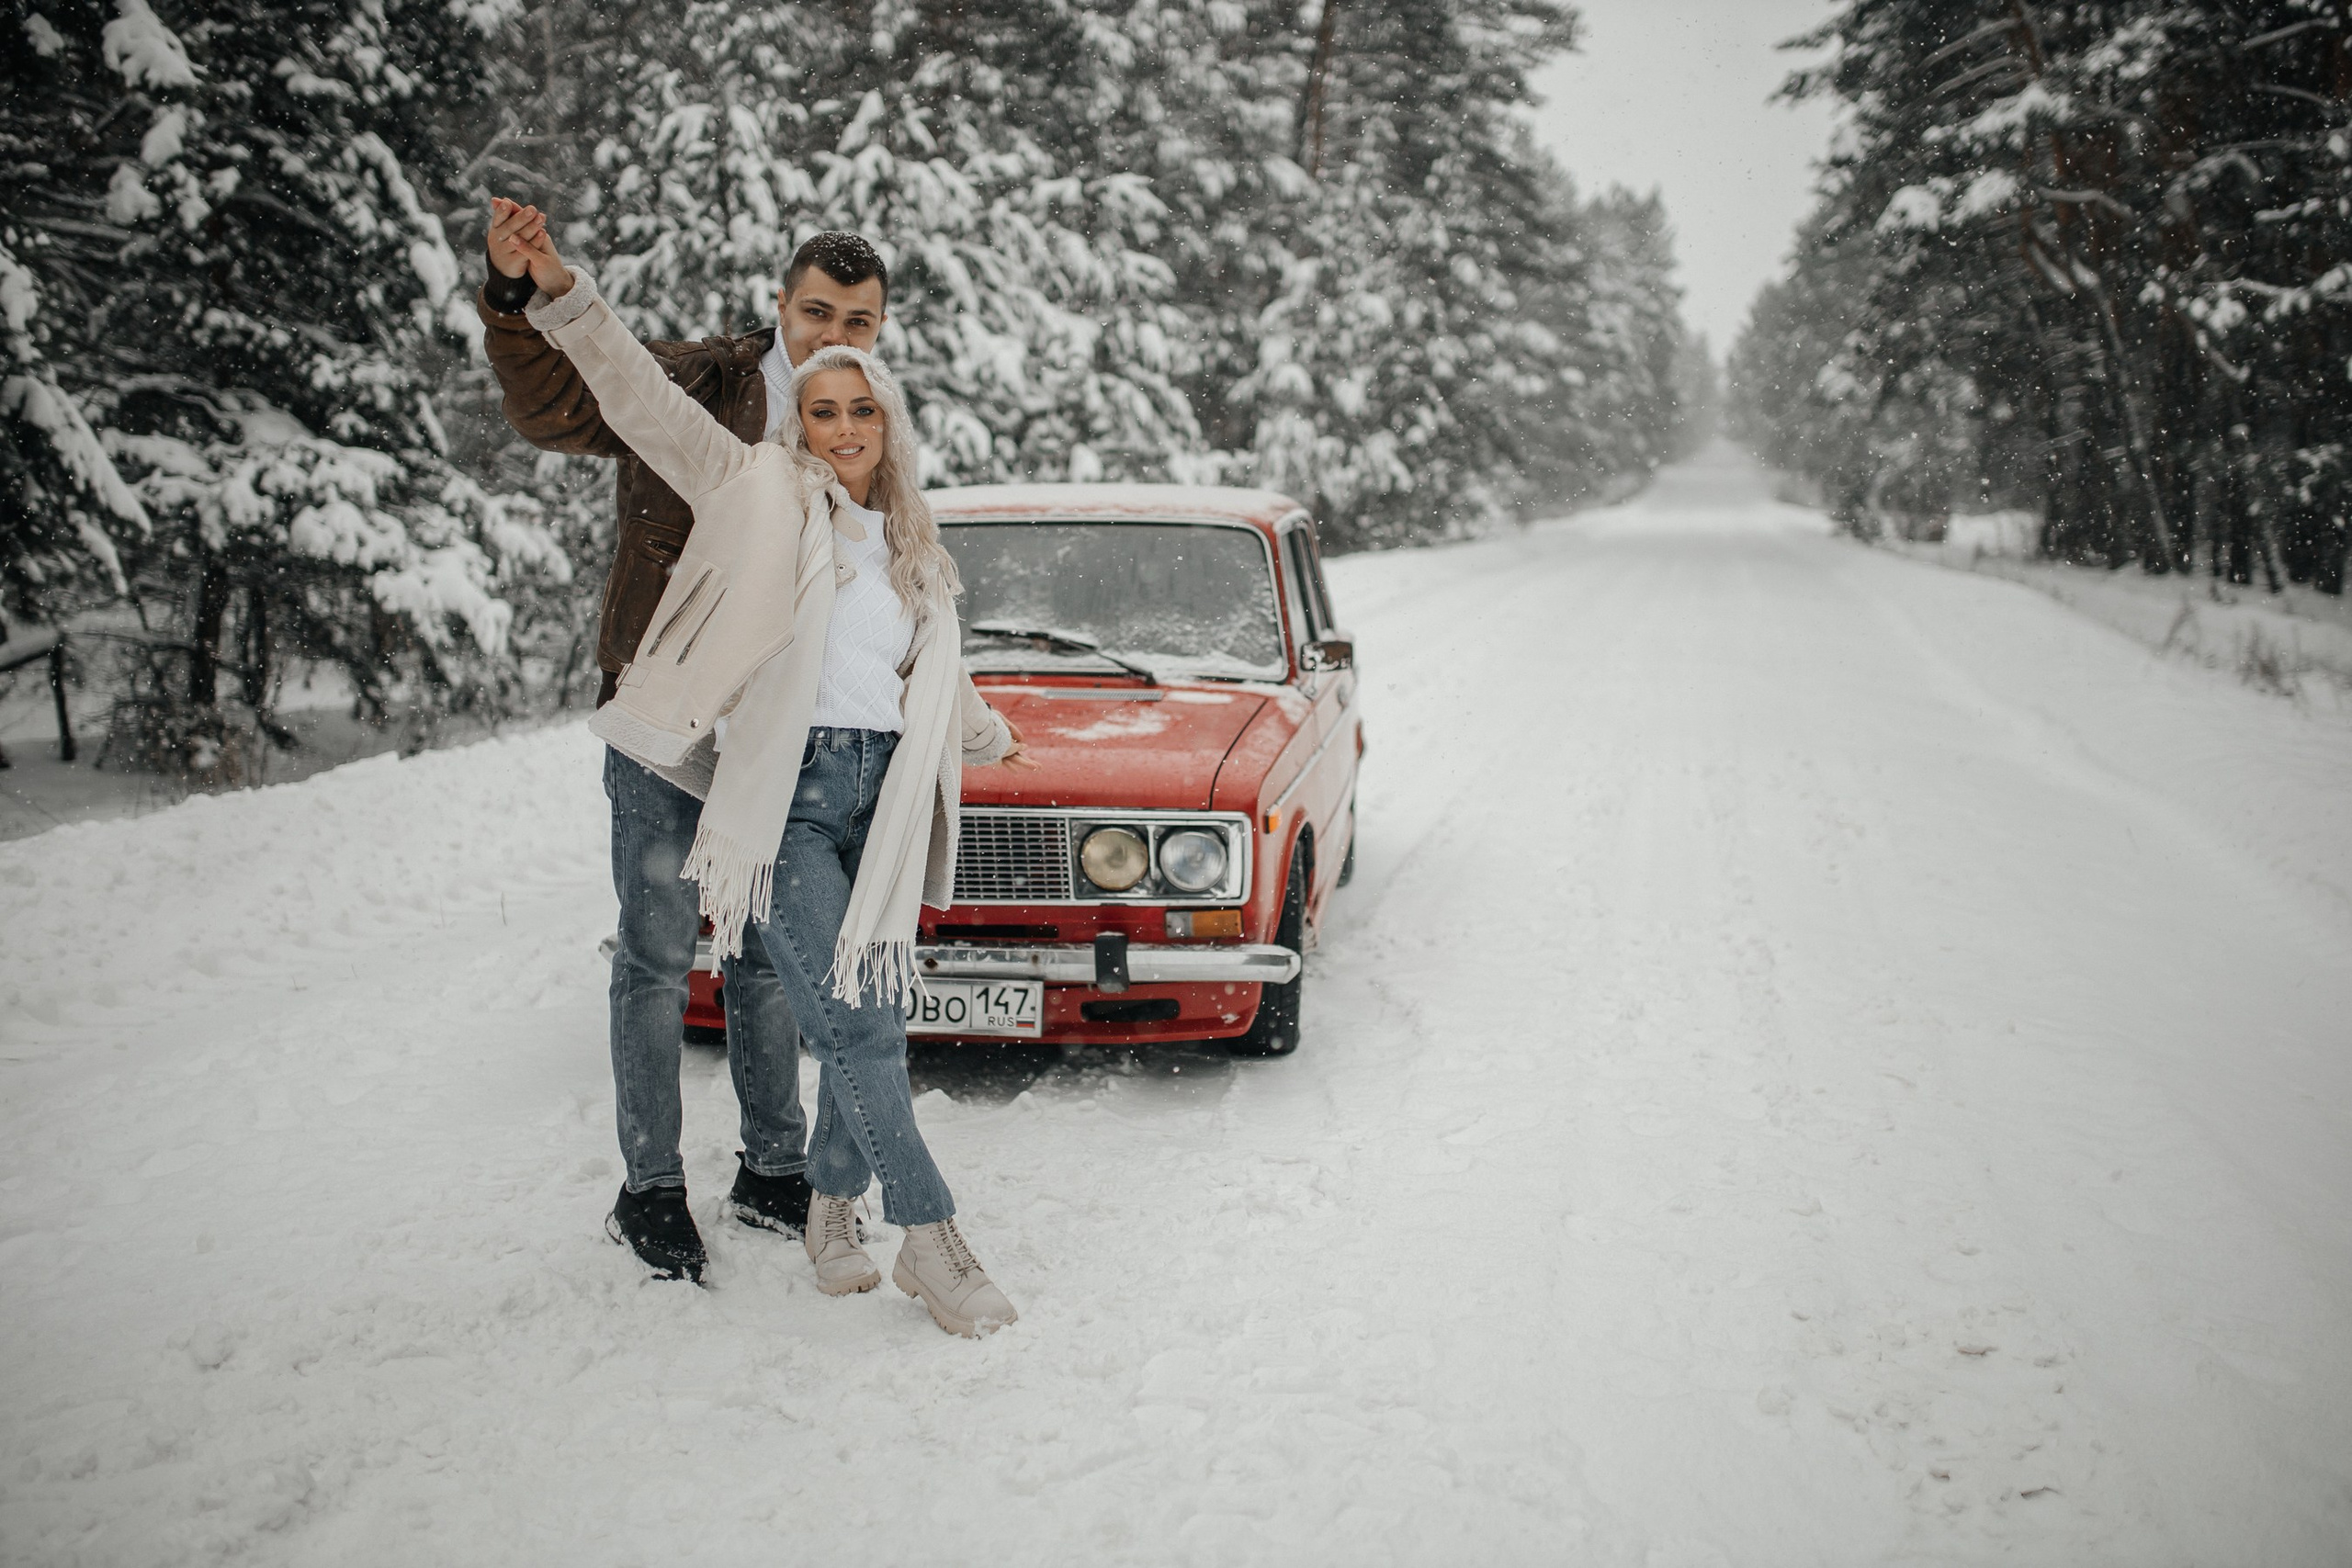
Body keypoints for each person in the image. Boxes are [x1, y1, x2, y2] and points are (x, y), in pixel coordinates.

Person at [494, 205, 1037, 1336]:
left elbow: (934, 678)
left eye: (861, 402)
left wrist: (990, 740)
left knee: (855, 1010)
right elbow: (632, 394)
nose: (842, 421)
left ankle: (824, 1202)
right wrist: (553, 289)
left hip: (877, 808)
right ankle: (912, 1235)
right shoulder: (752, 481)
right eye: (821, 400)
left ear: (889, 414)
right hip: (767, 790)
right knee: (800, 1007)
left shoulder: (909, 544)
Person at [480, 201, 902, 1281]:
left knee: (762, 954)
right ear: (780, 305)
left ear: (882, 326)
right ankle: (649, 1188)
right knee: (661, 953)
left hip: (784, 736)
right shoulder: (705, 383)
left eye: (855, 315)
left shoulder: (862, 424)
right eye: (814, 309)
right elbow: (562, 399)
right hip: (671, 718)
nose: (829, 329)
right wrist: (525, 295)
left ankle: (771, 1167)